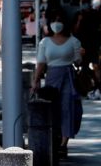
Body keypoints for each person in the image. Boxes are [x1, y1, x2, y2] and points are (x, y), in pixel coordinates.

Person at [30, 12, 84, 158]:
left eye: (59, 20)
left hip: (68, 77)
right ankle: (54, 137)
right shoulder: (45, 42)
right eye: (54, 20)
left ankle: (64, 142)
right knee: (52, 109)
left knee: (67, 108)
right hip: (52, 77)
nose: (56, 24)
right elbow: (41, 63)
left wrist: (81, 55)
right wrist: (35, 80)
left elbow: (78, 61)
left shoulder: (73, 41)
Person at [73, 0, 101, 100]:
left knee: (95, 65)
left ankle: (96, 85)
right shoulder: (79, 15)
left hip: (94, 45)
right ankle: (88, 87)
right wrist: (79, 20)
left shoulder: (96, 14)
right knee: (84, 67)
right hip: (83, 45)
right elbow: (75, 30)